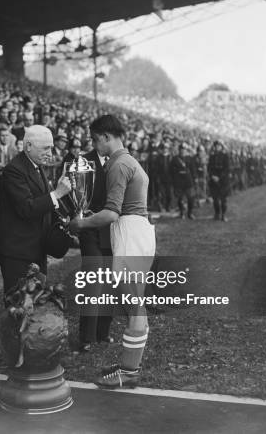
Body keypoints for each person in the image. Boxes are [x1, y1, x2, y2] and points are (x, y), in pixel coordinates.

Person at [69, 114, 155, 388]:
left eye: (96, 139)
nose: (95, 145)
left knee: (133, 305)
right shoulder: (130, 160)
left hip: (129, 232)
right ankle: (131, 364)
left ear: (106, 136)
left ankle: (129, 371)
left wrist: (79, 223)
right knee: (135, 304)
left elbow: (109, 214)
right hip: (138, 231)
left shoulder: (118, 164)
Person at [0, 125, 72, 294]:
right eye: (45, 148)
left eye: (51, 148)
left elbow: (44, 203)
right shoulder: (14, 170)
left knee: (34, 302)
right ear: (28, 146)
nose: (50, 153)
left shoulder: (35, 166)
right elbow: (26, 208)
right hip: (18, 252)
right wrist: (57, 193)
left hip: (35, 248)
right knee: (18, 306)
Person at [77, 139, 114, 353]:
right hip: (91, 229)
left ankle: (103, 331)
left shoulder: (118, 160)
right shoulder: (84, 161)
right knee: (93, 282)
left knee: (110, 281)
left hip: (111, 229)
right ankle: (86, 336)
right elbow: (79, 198)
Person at [170, 143, 196, 219]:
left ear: (186, 150)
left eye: (184, 149)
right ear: (179, 150)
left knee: (191, 198)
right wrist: (174, 179)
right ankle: (181, 212)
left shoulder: (190, 158)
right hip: (179, 182)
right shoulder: (175, 159)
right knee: (180, 198)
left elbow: (193, 170)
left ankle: (190, 213)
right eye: (181, 149)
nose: (182, 151)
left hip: (188, 181)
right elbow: (171, 171)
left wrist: (194, 180)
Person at [208, 140, 231, 221]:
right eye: (216, 146)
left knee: (223, 200)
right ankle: (217, 214)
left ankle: (223, 215)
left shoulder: (225, 156)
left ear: (221, 147)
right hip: (214, 181)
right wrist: (212, 176)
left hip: (223, 181)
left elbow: (227, 169)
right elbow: (209, 168)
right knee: (215, 199)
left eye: (219, 146)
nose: (217, 147)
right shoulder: (212, 156)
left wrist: (219, 177)